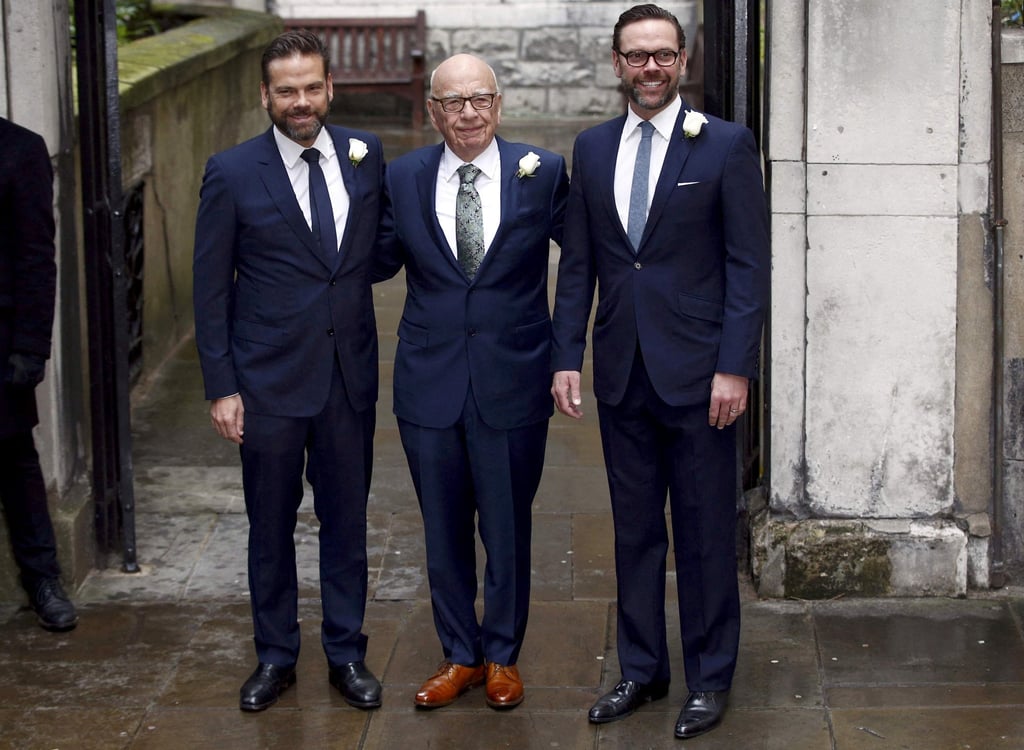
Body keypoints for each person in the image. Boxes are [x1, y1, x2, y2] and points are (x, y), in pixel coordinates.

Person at [550, 4, 770, 741]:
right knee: (635, 530)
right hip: (622, 372)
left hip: (703, 374)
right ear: (617, 63)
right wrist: (565, 357)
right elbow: (578, 264)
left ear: (681, 62)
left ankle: (710, 677)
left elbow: (748, 266)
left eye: (663, 55)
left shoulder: (726, 146)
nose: (650, 68)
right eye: (636, 55)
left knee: (706, 530)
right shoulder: (592, 147)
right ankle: (642, 668)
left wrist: (735, 368)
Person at [193, 29, 384, 713]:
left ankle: (346, 652)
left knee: (346, 522)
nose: (301, 102)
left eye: (311, 88)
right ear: (267, 96)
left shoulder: (367, 156)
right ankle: (275, 655)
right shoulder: (232, 171)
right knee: (269, 525)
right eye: (287, 91)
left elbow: (376, 251)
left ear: (329, 87)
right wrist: (221, 385)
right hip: (267, 382)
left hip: (346, 377)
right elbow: (210, 289)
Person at [374, 53, 568, 711]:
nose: (467, 112)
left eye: (479, 98)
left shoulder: (541, 174)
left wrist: (566, 350)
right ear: (433, 111)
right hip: (428, 382)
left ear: (498, 103)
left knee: (508, 526)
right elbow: (365, 259)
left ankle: (503, 655)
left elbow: (586, 260)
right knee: (443, 527)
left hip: (513, 378)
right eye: (452, 101)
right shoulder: (401, 177)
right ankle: (459, 654)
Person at [0, 117, 78, 633]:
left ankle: (43, 579)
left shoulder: (19, 150)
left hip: (1, 344)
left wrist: (30, 348)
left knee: (15, 462)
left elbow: (36, 258)